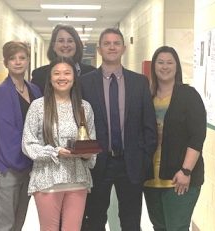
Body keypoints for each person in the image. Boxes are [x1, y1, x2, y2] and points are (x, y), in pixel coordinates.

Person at [80, 28, 158, 230]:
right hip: (98, 164)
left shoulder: (139, 82)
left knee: (131, 221)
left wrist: (143, 156)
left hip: (131, 163)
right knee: (95, 220)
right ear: (99, 49)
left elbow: (149, 124)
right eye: (107, 43)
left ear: (123, 48)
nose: (112, 47)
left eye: (116, 43)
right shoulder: (85, 83)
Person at [22, 56, 96, 231]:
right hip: (48, 180)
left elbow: (91, 142)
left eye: (67, 73)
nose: (62, 77)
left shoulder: (84, 107)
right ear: (50, 78)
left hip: (77, 179)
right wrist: (54, 152)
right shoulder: (38, 106)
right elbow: (28, 143)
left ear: (74, 77)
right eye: (57, 73)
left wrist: (87, 154)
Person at [143, 46, 207, 230]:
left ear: (177, 66)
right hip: (151, 179)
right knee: (159, 227)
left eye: (169, 62)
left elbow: (197, 136)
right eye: (160, 62)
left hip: (179, 179)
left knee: (176, 227)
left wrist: (186, 171)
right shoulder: (148, 97)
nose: (165, 66)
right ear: (154, 66)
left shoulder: (189, 96)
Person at [0, 41, 41, 231]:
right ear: (5, 63)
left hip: (29, 167)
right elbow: (5, 135)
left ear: (28, 61)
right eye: (12, 59)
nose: (18, 62)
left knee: (18, 223)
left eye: (22, 58)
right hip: (8, 168)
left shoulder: (35, 90)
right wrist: (27, 158)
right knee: (4, 225)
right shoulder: (1, 92)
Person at [31, 24, 95, 94]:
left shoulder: (92, 74)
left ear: (76, 45)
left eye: (70, 41)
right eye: (61, 41)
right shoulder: (39, 75)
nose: (65, 45)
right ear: (53, 46)